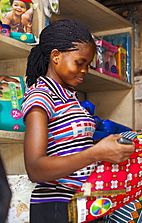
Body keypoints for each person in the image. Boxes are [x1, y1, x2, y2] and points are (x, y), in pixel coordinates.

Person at [21, 19, 135, 223]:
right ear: (55, 56)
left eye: (88, 65)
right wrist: (94, 153)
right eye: (79, 63)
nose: (84, 70)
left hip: (81, 202)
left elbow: (69, 148)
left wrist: (104, 148)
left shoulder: (70, 98)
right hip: (55, 207)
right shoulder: (41, 97)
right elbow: (35, 168)